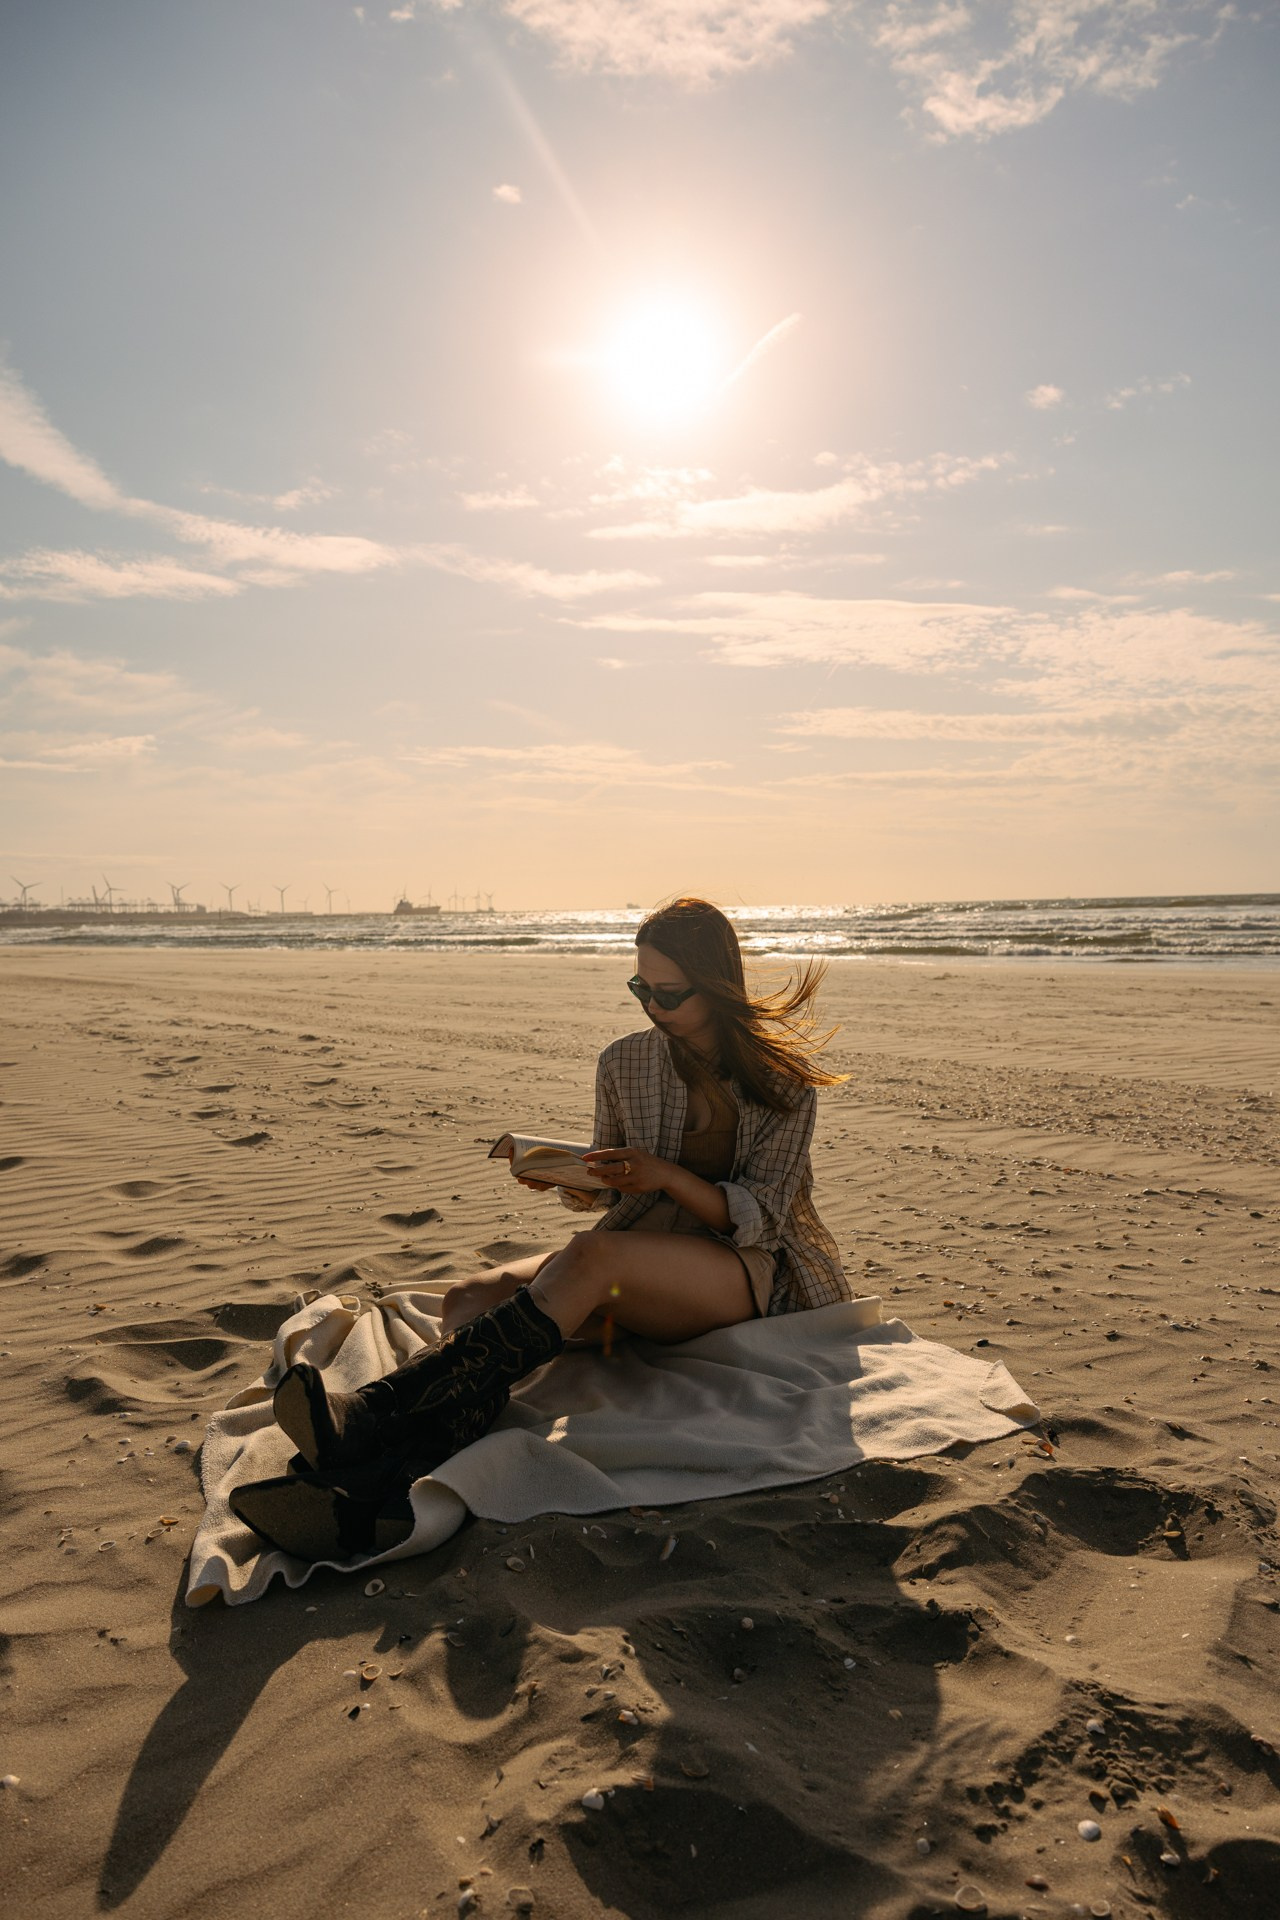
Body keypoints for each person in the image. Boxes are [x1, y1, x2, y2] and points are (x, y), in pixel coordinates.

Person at [232, 897, 853, 1562]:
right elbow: (614, 1188)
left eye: (669, 993)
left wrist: (667, 1178)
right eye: (640, 987)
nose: (653, 1007)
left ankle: (370, 1415)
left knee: (591, 1259)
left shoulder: (783, 1082)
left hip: (744, 1269)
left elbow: (764, 1215)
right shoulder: (624, 1063)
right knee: (466, 1301)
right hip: (634, 1255)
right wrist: (569, 1180)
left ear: (718, 984)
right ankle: (374, 1492)